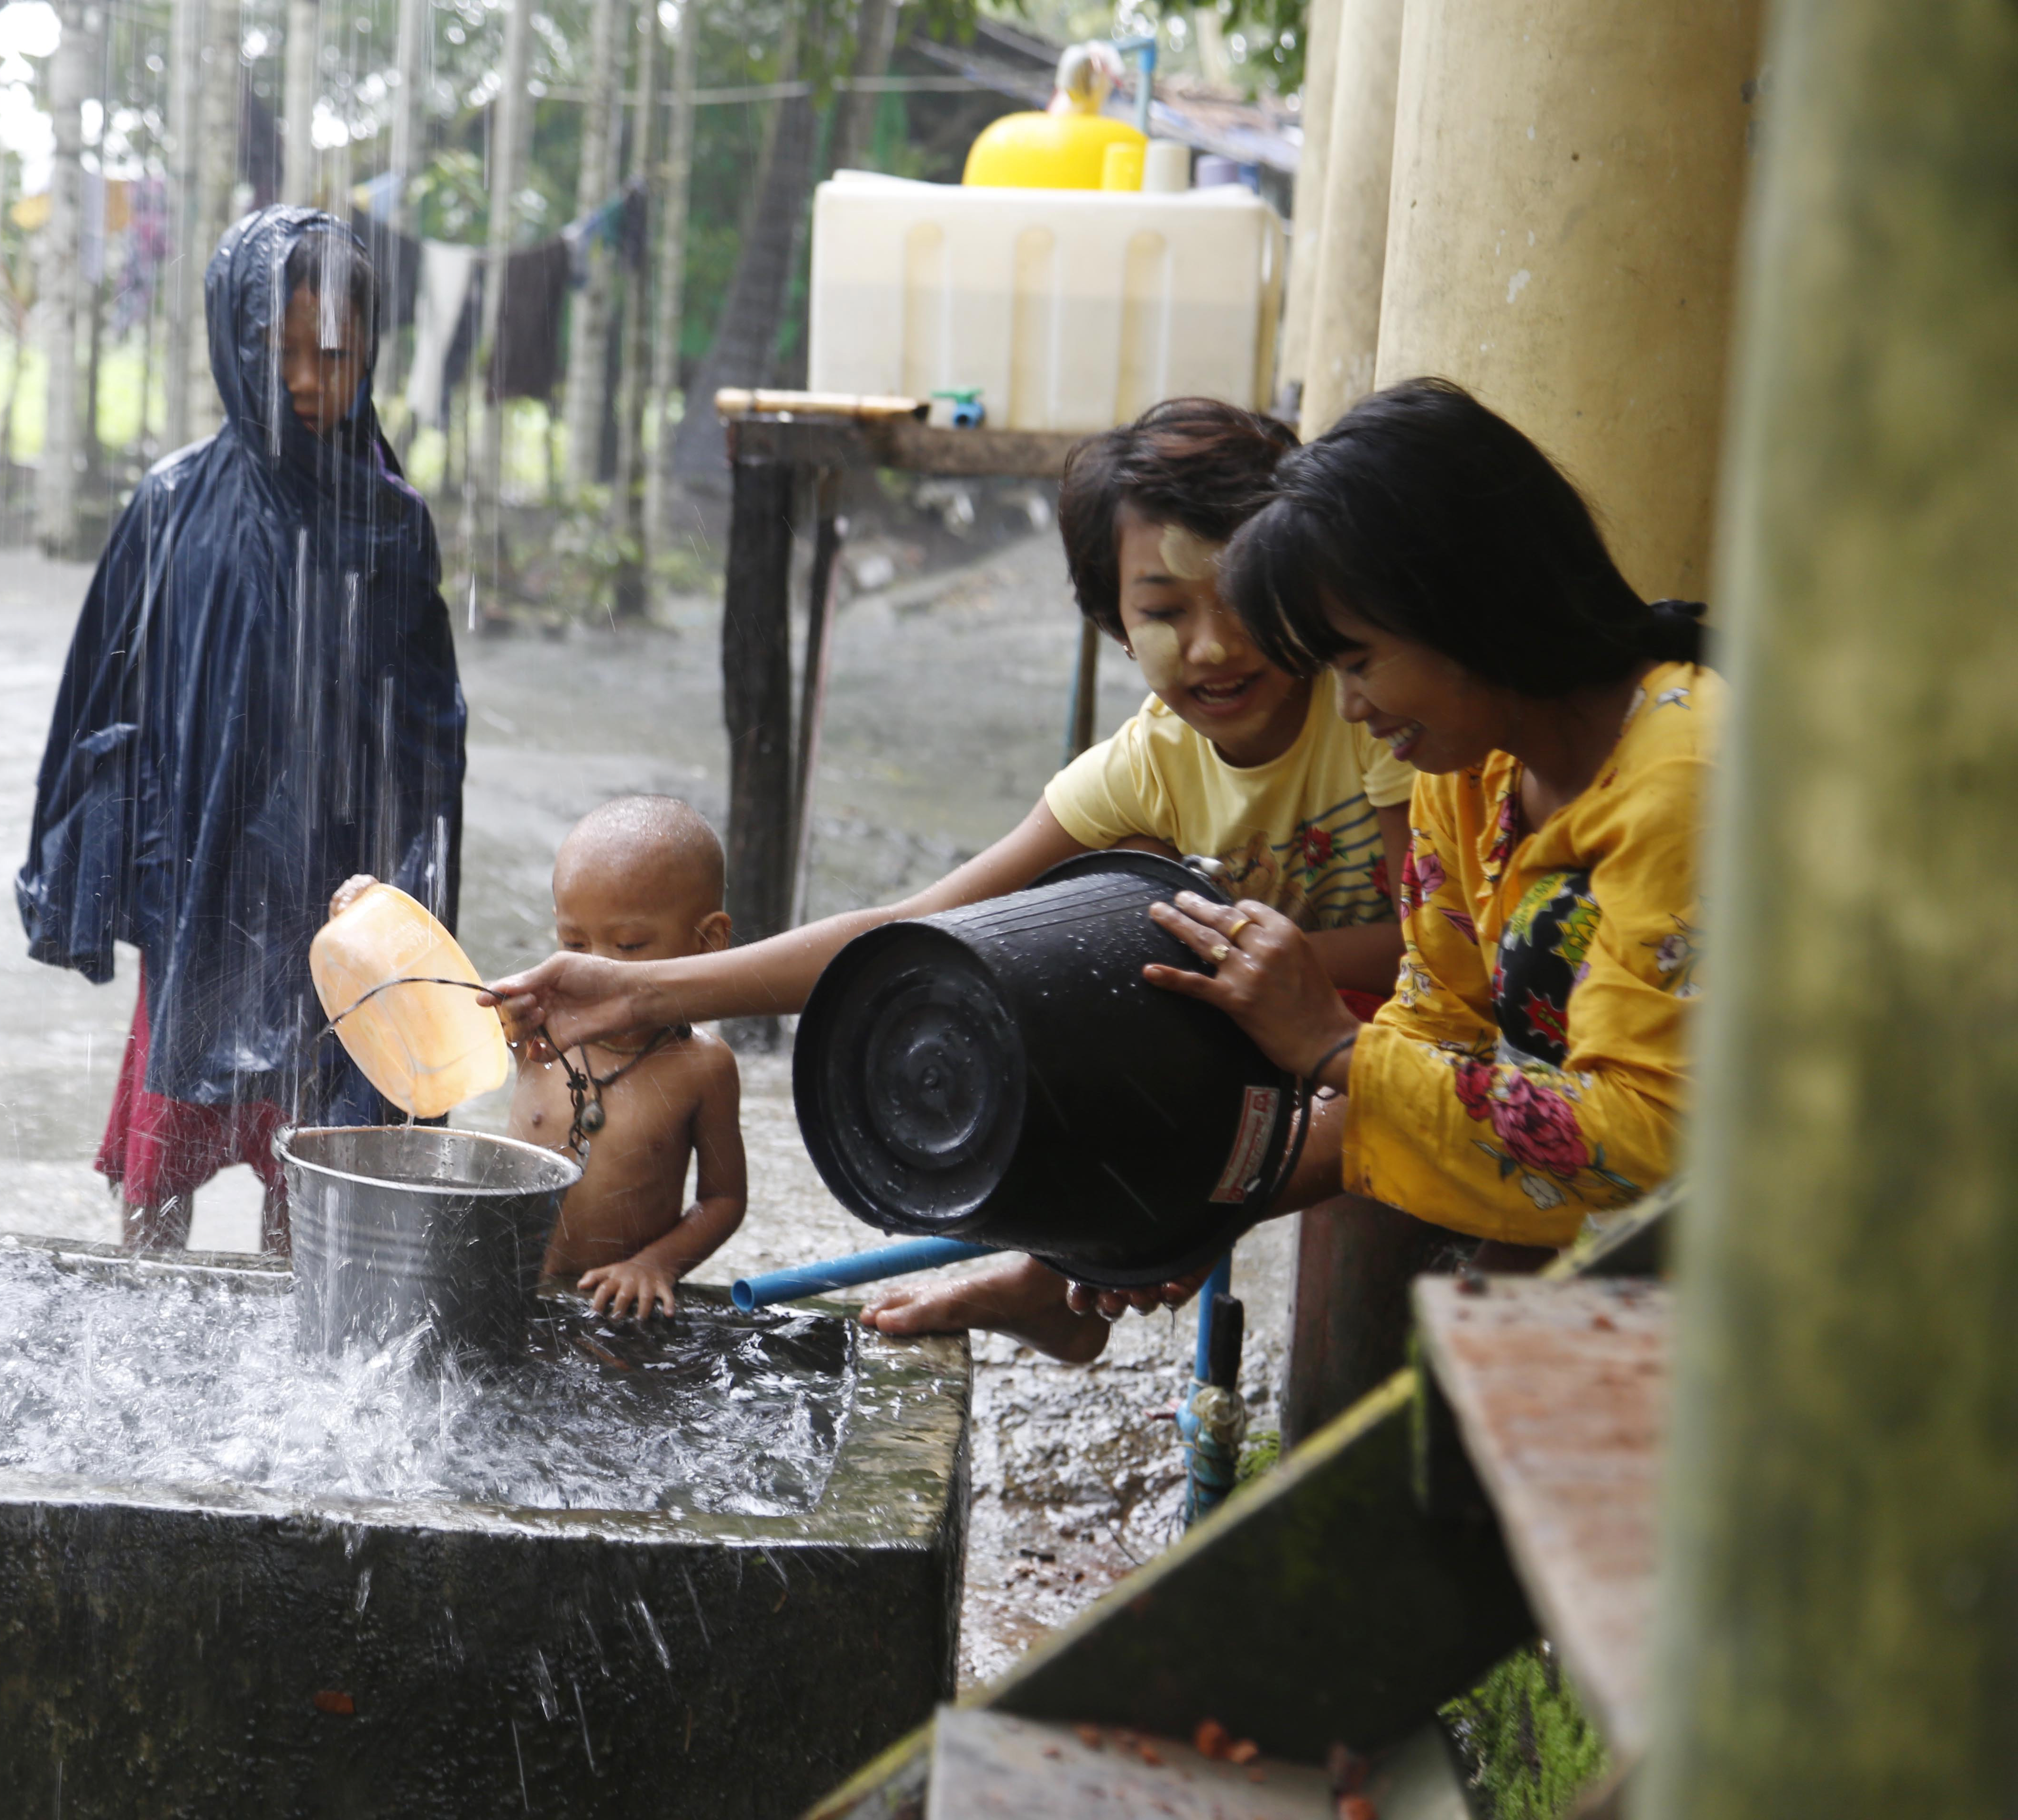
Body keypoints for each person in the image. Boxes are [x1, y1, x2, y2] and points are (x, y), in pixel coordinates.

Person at [486, 399, 1413, 1354]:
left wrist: (1248, 967)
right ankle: (1082, 1254)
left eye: (1241, 596)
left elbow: (1439, 950)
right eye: (1166, 611)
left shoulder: (1370, 710)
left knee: (1184, 975)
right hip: (1256, 1005)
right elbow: (911, 930)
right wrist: (639, 991)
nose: (1213, 645)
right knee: (1053, 958)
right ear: (1117, 626)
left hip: (1391, 1018)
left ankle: (1093, 1260)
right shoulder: (1148, 764)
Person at [1124, 377, 1717, 1294]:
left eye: (1358, 662)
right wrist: (1178, 1225)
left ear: (1465, 606)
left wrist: (1333, 1044)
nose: (1351, 708)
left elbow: (1656, 1145)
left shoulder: (1688, 774)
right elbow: (1437, 1031)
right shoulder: (1468, 770)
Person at [18, 209, 468, 1254]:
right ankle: (143, 1308)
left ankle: (297, 1307)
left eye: (334, 354)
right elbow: (101, 697)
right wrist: (89, 865)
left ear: (370, 352)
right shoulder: (173, 505)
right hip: (199, 881)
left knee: (321, 1169)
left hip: (336, 896)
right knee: (163, 1153)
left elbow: (428, 739)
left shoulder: (388, 524)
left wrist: (412, 891)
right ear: (235, 340)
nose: (306, 380)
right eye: (279, 350)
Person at [503, 797, 747, 1320]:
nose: (595, 970)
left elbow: (724, 1199)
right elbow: (431, 1019)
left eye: (630, 946)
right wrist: (371, 914)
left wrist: (656, 1265)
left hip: (614, 1309)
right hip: (512, 1289)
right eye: (574, 943)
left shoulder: (702, 1067)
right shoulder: (534, 1031)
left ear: (708, 942)